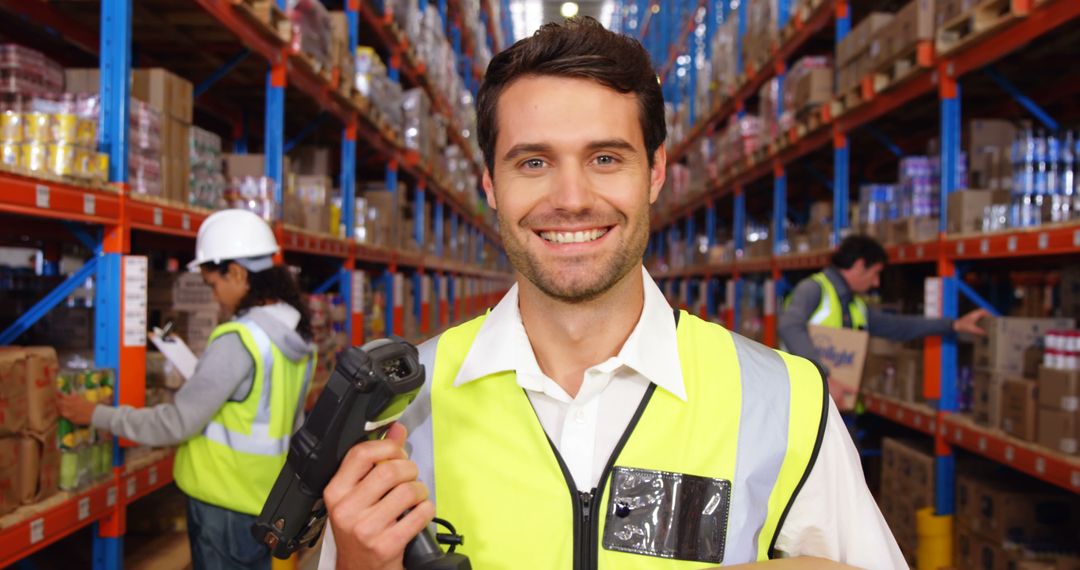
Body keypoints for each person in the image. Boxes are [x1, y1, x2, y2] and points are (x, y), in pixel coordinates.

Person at [318, 18, 906, 569]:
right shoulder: (396, 408)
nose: (571, 197)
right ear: (491, 185)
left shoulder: (785, 402)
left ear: (654, 173)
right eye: (533, 161)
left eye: (605, 158)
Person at [58, 209, 317, 570]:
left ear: (238, 273)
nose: (215, 297)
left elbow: (178, 424)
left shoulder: (239, 339)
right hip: (267, 499)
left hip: (223, 504)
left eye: (214, 284)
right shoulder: (298, 334)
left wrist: (96, 415)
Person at [779, 235, 987, 392]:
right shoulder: (814, 289)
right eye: (876, 273)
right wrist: (823, 378)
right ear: (860, 265)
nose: (876, 282)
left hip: (833, 403)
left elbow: (898, 326)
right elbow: (789, 326)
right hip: (802, 399)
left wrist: (953, 325)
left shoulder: (855, 306)